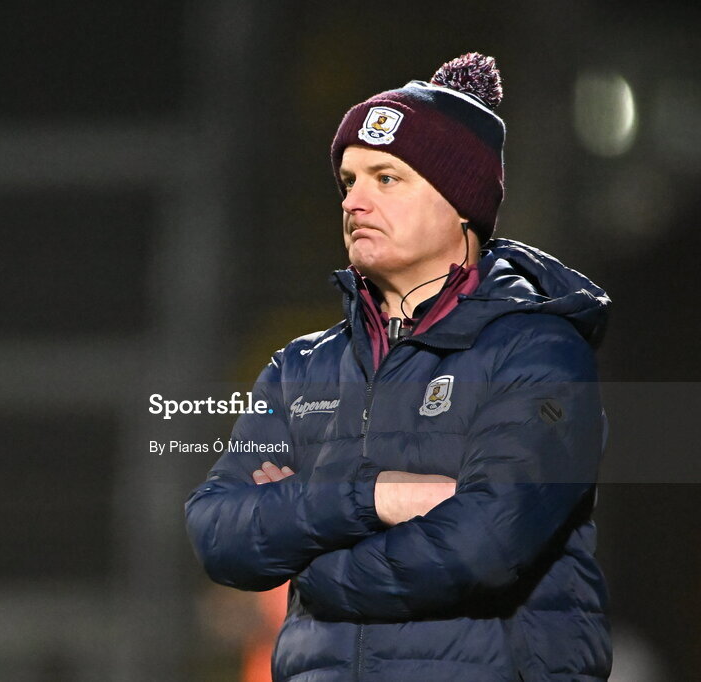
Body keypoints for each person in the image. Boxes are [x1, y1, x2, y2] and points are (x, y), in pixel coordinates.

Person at [185, 53, 612, 680]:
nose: (355, 201)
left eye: (386, 178)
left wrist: (308, 559)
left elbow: (482, 546)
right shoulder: (301, 366)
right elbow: (218, 533)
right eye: (348, 181)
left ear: (459, 202)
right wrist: (375, 497)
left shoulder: (538, 351)